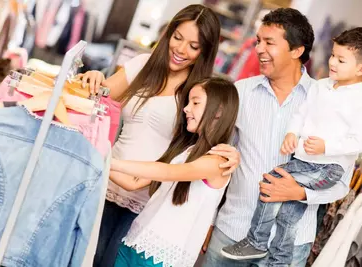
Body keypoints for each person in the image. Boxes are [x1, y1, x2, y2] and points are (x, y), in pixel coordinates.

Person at [79, 5, 241, 267]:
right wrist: (95, 77)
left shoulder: (200, 93)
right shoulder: (143, 65)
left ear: (205, 51)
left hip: (146, 198)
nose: (180, 50)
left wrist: (232, 152)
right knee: (83, 258)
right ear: (168, 33)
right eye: (177, 38)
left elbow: (206, 143)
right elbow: (99, 97)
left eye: (193, 46)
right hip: (105, 183)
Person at [200, 8, 352, 267]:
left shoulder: (329, 103)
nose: (259, 49)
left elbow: (342, 182)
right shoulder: (241, 92)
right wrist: (208, 220)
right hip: (232, 229)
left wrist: (301, 193)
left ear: (297, 50)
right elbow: (218, 162)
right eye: (258, 41)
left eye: (269, 42)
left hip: (288, 247)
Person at [221, 27, 362, 265]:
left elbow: (358, 142)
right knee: (288, 214)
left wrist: (326, 147)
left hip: (328, 168)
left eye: (341, 60)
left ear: (361, 69)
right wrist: (291, 134)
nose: (333, 63)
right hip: (304, 161)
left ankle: (256, 242)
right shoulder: (321, 86)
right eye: (332, 56)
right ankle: (281, 257)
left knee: (272, 181)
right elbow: (301, 113)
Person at [108, 77, 239, 267]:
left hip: (162, 258)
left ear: (218, 111)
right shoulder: (186, 151)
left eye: (195, 102)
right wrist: (98, 157)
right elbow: (133, 182)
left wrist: (110, 161)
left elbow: (168, 172)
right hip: (136, 242)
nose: (186, 109)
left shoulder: (218, 162)